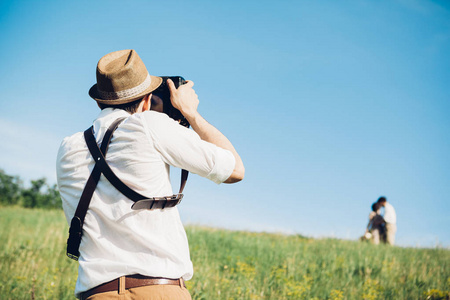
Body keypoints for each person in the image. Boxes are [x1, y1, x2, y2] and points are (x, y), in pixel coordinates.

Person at [56, 49, 245, 299]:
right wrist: (190, 113)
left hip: (96, 293)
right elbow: (235, 170)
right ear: (146, 101)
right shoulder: (150, 125)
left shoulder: (68, 147)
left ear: (100, 101)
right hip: (157, 290)